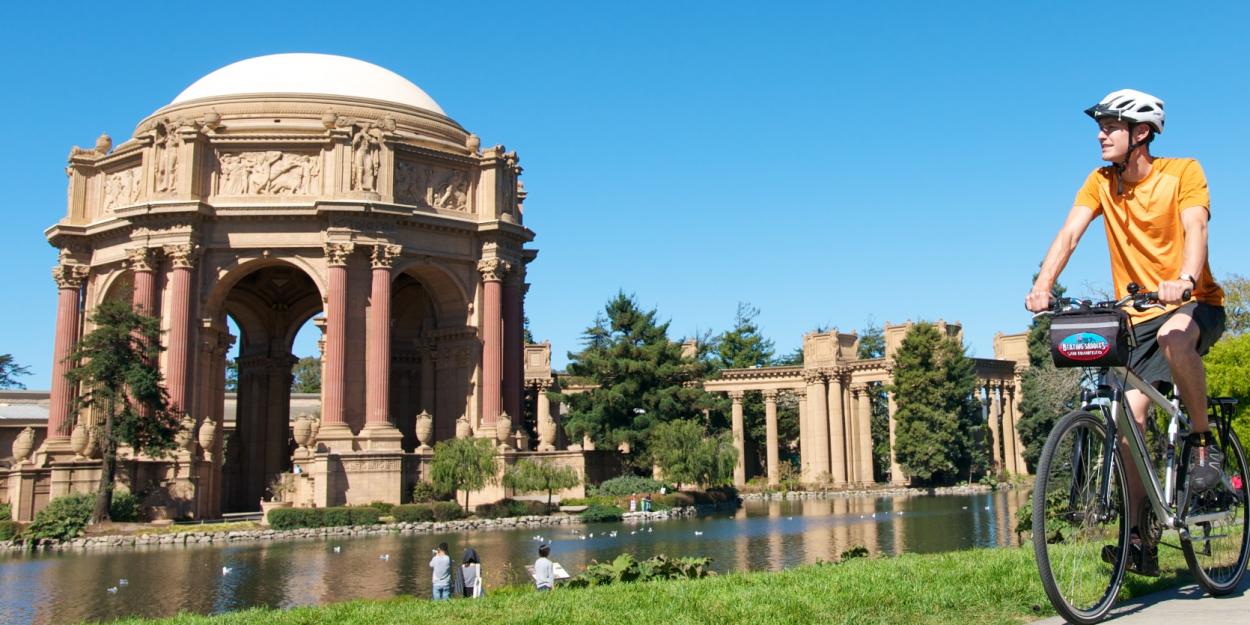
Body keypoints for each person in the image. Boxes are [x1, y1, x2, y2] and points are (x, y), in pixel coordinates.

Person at [1025, 89, 1227, 576]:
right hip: (1133, 319)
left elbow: (1195, 227)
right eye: (1100, 126)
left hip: (1192, 305)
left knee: (1175, 339)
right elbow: (1070, 233)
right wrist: (1042, 284)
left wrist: (1184, 277)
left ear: (1141, 134)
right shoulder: (1099, 182)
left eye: (1110, 126)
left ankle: (1203, 443)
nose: (1100, 134)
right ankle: (1141, 537)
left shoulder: (1183, 172)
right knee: (1126, 425)